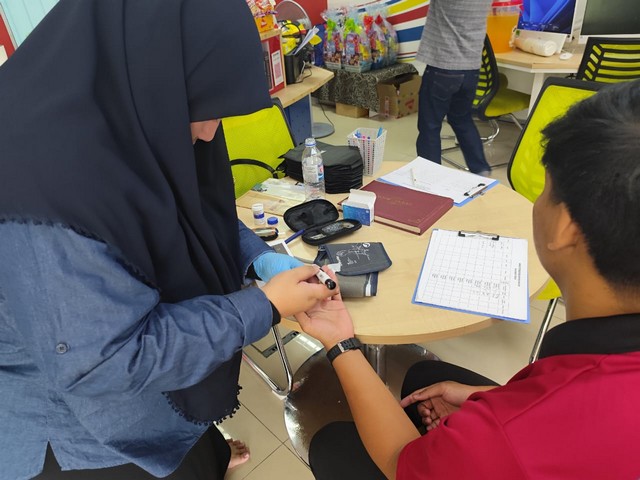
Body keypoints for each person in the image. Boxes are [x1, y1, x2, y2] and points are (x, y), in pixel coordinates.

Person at [0, 0, 336, 478]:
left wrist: (257, 258)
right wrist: (262, 306)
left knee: (198, 453)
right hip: (86, 431)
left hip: (157, 393)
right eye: (202, 110)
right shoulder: (42, 185)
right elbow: (107, 361)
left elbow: (187, 211)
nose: (210, 133)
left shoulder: (137, 107)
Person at [300, 79, 640, 479]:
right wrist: (491, 399)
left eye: (546, 191)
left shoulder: (509, 439)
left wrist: (341, 341)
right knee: (426, 378)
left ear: (565, 227)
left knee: (332, 445)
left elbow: (400, 462)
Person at [415, 0, 493, 175]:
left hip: (443, 67)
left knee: (430, 126)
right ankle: (480, 168)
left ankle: (430, 176)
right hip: (471, 70)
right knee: (462, 119)